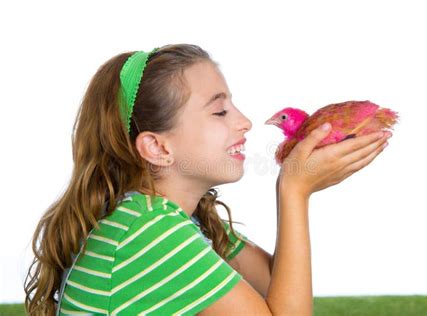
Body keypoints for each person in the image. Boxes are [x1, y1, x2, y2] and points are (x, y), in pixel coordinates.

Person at [23, 44, 391, 315]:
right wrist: (293, 191)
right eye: (219, 111)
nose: (244, 121)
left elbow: (280, 291)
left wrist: (296, 183)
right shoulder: (149, 232)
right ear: (156, 147)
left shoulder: (182, 218)